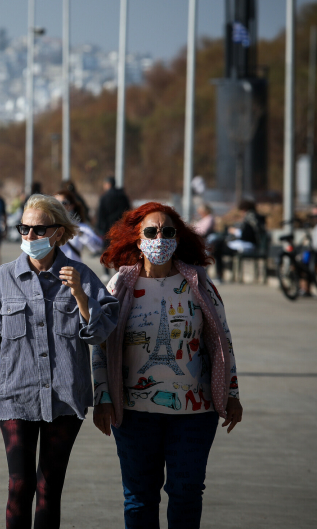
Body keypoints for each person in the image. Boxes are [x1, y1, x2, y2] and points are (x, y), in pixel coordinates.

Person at [0, 194, 119, 529]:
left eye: (38, 230)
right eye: (24, 229)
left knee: (50, 487)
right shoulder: (3, 279)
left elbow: (101, 333)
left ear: (58, 233)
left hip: (65, 400)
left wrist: (80, 295)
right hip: (15, 396)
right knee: (20, 484)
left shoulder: (82, 276)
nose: (30, 237)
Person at [92, 202, 242, 529]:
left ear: (179, 237)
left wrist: (232, 392)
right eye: (151, 231)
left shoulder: (198, 283)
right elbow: (101, 347)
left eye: (168, 231)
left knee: (186, 492)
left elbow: (222, 341)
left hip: (195, 414)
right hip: (133, 414)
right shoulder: (120, 285)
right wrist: (102, 398)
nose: (160, 238)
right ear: (136, 238)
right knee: (139, 497)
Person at [212, 200, 265, 282]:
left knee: (218, 247)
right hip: (247, 244)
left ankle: (219, 275)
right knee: (218, 244)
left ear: (244, 209)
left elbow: (247, 235)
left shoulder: (250, 217)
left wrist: (234, 231)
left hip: (248, 245)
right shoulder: (255, 217)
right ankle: (219, 275)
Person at [54, 190, 103, 262]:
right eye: (55, 203)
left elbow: (98, 246)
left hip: (73, 270)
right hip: (52, 271)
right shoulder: (46, 226)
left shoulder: (80, 227)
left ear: (71, 206)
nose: (59, 206)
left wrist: (82, 234)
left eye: (63, 203)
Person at [96, 176, 132, 242]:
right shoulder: (123, 196)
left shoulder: (104, 197)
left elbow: (101, 214)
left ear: (108, 184)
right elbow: (128, 211)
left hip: (108, 228)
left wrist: (100, 228)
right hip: (121, 227)